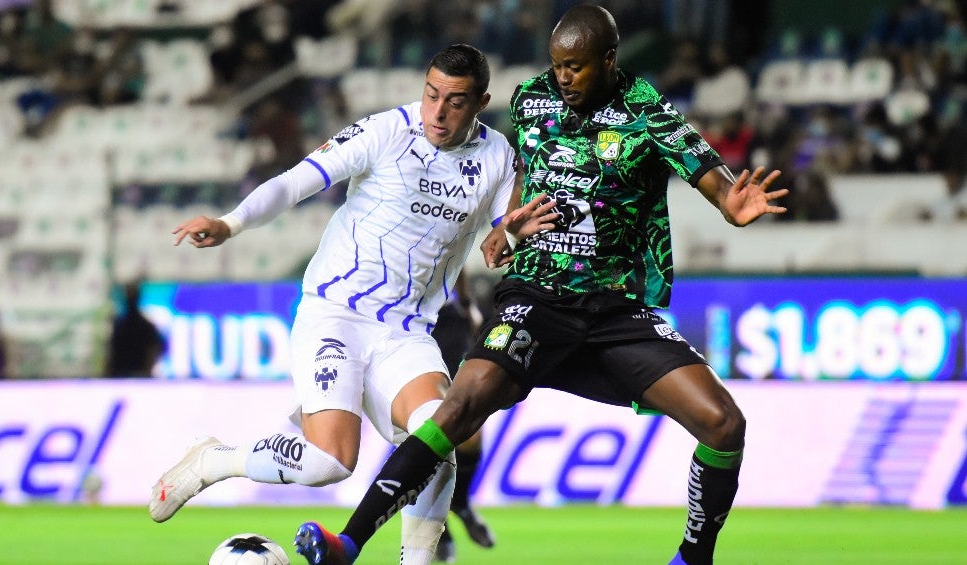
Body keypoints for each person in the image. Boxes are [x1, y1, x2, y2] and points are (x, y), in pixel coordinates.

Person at [293, 6, 788, 565]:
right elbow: (524, 177)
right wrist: (505, 227)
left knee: (723, 423)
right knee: (457, 409)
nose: (563, 77)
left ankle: (694, 557)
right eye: (557, 65)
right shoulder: (531, 100)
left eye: (576, 66)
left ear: (609, 60)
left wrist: (732, 204)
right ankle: (348, 544)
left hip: (614, 310)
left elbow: (712, 179)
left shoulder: (649, 112)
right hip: (536, 298)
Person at [149, 44, 554, 565]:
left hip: (407, 331)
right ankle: (214, 461)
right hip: (336, 313)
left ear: (480, 103)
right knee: (330, 462)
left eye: (455, 102)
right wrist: (231, 223)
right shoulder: (386, 131)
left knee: (439, 435)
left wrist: (511, 237)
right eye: (431, 95)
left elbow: (507, 228)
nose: (437, 111)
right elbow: (296, 181)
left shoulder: (498, 156)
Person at [429, 271, 495, 563]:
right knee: (424, 427)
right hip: (403, 320)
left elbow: (455, 253)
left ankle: (461, 502)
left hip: (446, 318)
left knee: (471, 425)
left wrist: (467, 303)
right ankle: (438, 526)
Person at [106, 280, 166, 377]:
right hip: (124, 377)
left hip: (136, 377)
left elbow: (155, 349)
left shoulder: (122, 325)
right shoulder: (120, 325)